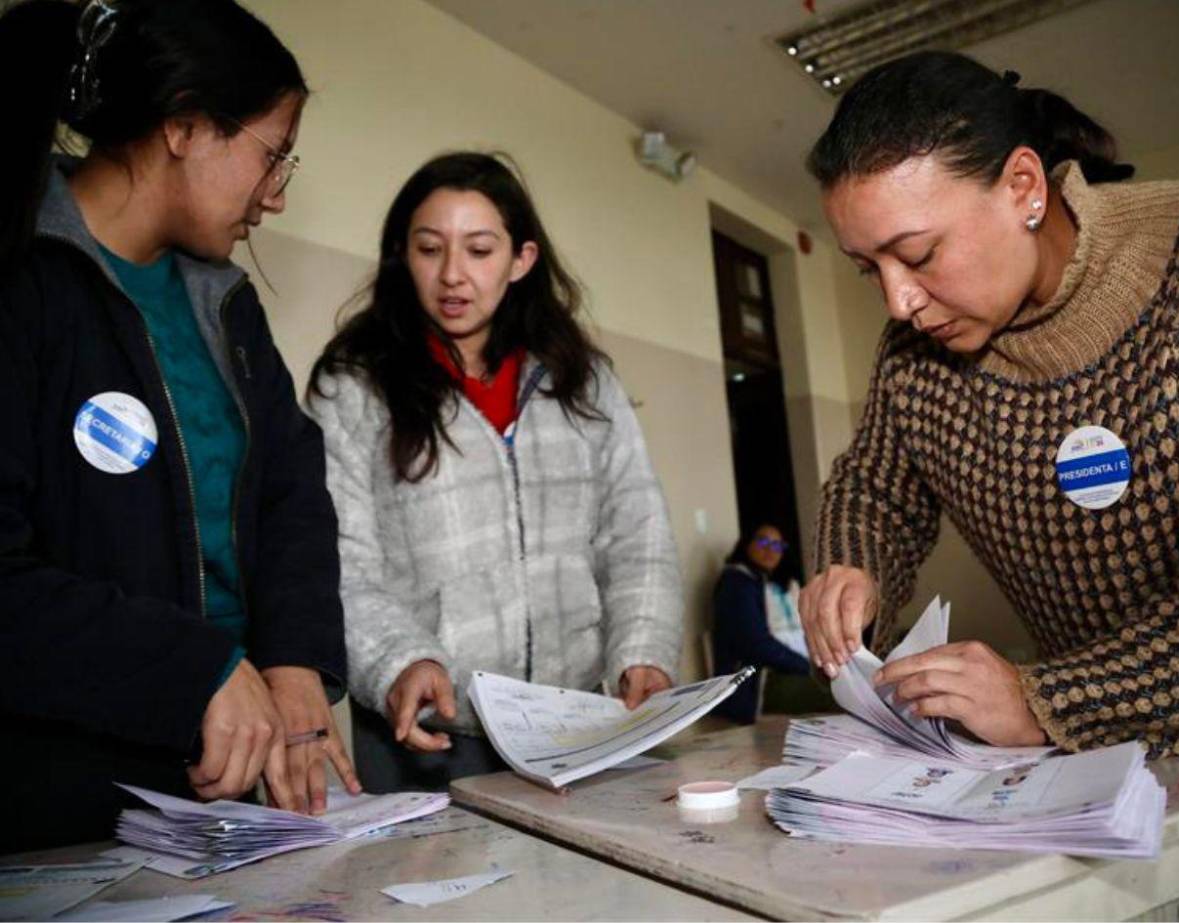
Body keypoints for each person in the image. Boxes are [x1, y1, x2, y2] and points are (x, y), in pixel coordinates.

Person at [798, 49, 1179, 759]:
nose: (899, 301)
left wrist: (1049, 700)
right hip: (1116, 754)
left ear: (1022, 186)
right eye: (870, 270)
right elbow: (876, 490)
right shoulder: (916, 355)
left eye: (918, 255)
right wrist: (853, 569)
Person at [0, 0, 358, 852]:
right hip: (69, 807)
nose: (275, 197)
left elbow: (291, 494)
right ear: (186, 126)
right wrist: (191, 668)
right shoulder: (27, 283)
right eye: (272, 156)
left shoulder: (223, 306)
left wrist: (296, 656)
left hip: (235, 794)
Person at [308, 152, 683, 790]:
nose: (453, 276)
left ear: (521, 260)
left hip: (575, 726)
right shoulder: (355, 385)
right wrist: (401, 661)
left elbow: (637, 532)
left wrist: (643, 651)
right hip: (430, 735)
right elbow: (338, 562)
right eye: (430, 249)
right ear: (403, 254)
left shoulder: (582, 381)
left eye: (479, 250)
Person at [712, 524, 831, 723]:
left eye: (777, 546)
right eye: (763, 542)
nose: (770, 550)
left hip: (779, 671)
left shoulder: (763, 582)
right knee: (835, 698)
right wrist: (806, 667)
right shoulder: (737, 584)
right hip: (756, 685)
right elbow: (757, 645)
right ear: (746, 544)